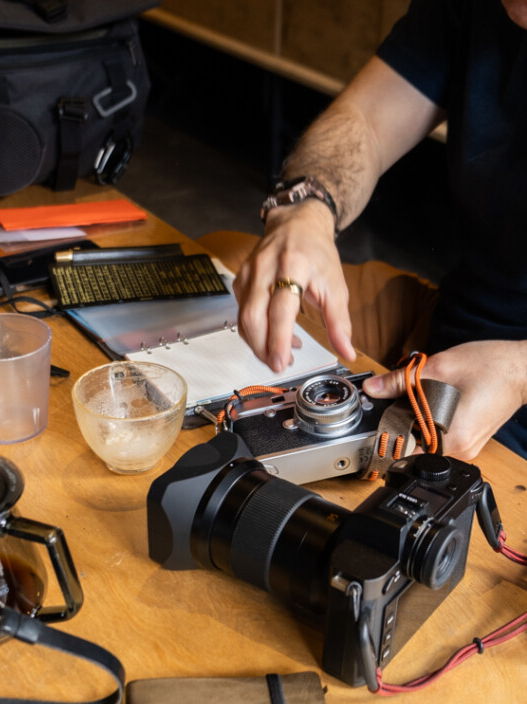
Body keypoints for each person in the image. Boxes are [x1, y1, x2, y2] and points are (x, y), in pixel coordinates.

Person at [223, 0, 527, 462]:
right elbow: (366, 119)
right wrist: (307, 209)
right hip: (448, 329)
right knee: (222, 271)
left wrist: (520, 372)